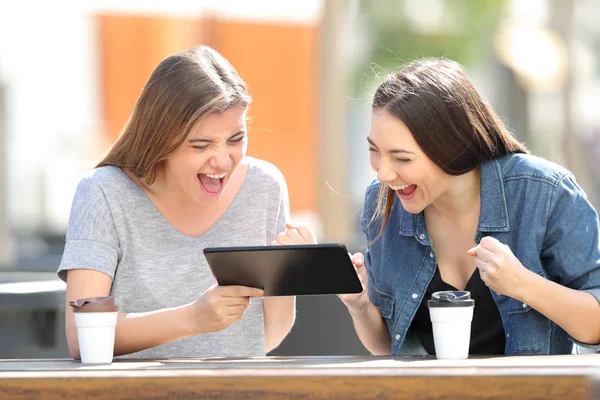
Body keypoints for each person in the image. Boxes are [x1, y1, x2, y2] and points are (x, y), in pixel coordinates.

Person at [277, 58, 600, 356]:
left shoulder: (543, 192)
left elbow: (595, 324)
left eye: (402, 158)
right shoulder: (383, 203)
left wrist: (522, 284)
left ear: (454, 148)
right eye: (375, 150)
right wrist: (360, 305)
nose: (384, 173)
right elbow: (388, 347)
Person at [58, 45, 295, 359]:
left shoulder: (265, 187)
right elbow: (81, 336)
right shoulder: (104, 193)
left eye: (236, 139)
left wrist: (288, 270)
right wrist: (192, 319)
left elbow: (266, 335)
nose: (223, 160)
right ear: (160, 139)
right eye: (201, 145)